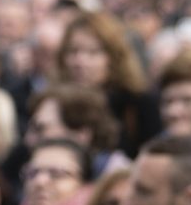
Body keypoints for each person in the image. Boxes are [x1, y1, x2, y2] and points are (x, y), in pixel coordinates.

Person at [56, 11, 160, 154]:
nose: (80, 62)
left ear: (113, 58)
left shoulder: (138, 104)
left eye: (93, 52)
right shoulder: (54, 104)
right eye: (73, 51)